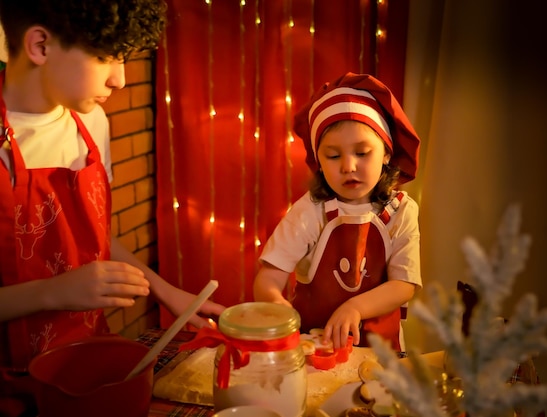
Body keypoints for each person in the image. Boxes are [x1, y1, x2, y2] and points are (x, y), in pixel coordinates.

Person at [0, 1, 224, 415]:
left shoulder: (93, 124)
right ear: (40, 46)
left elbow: (91, 235)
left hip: (86, 366)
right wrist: (53, 292)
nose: (119, 78)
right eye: (106, 56)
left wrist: (166, 291)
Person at [253, 72, 422, 352]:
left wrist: (354, 307)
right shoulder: (310, 210)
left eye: (362, 152)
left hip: (380, 350)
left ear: (387, 154)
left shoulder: (402, 210)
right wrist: (275, 304)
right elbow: (270, 276)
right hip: (314, 346)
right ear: (319, 162)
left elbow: (404, 285)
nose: (348, 166)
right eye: (333, 156)